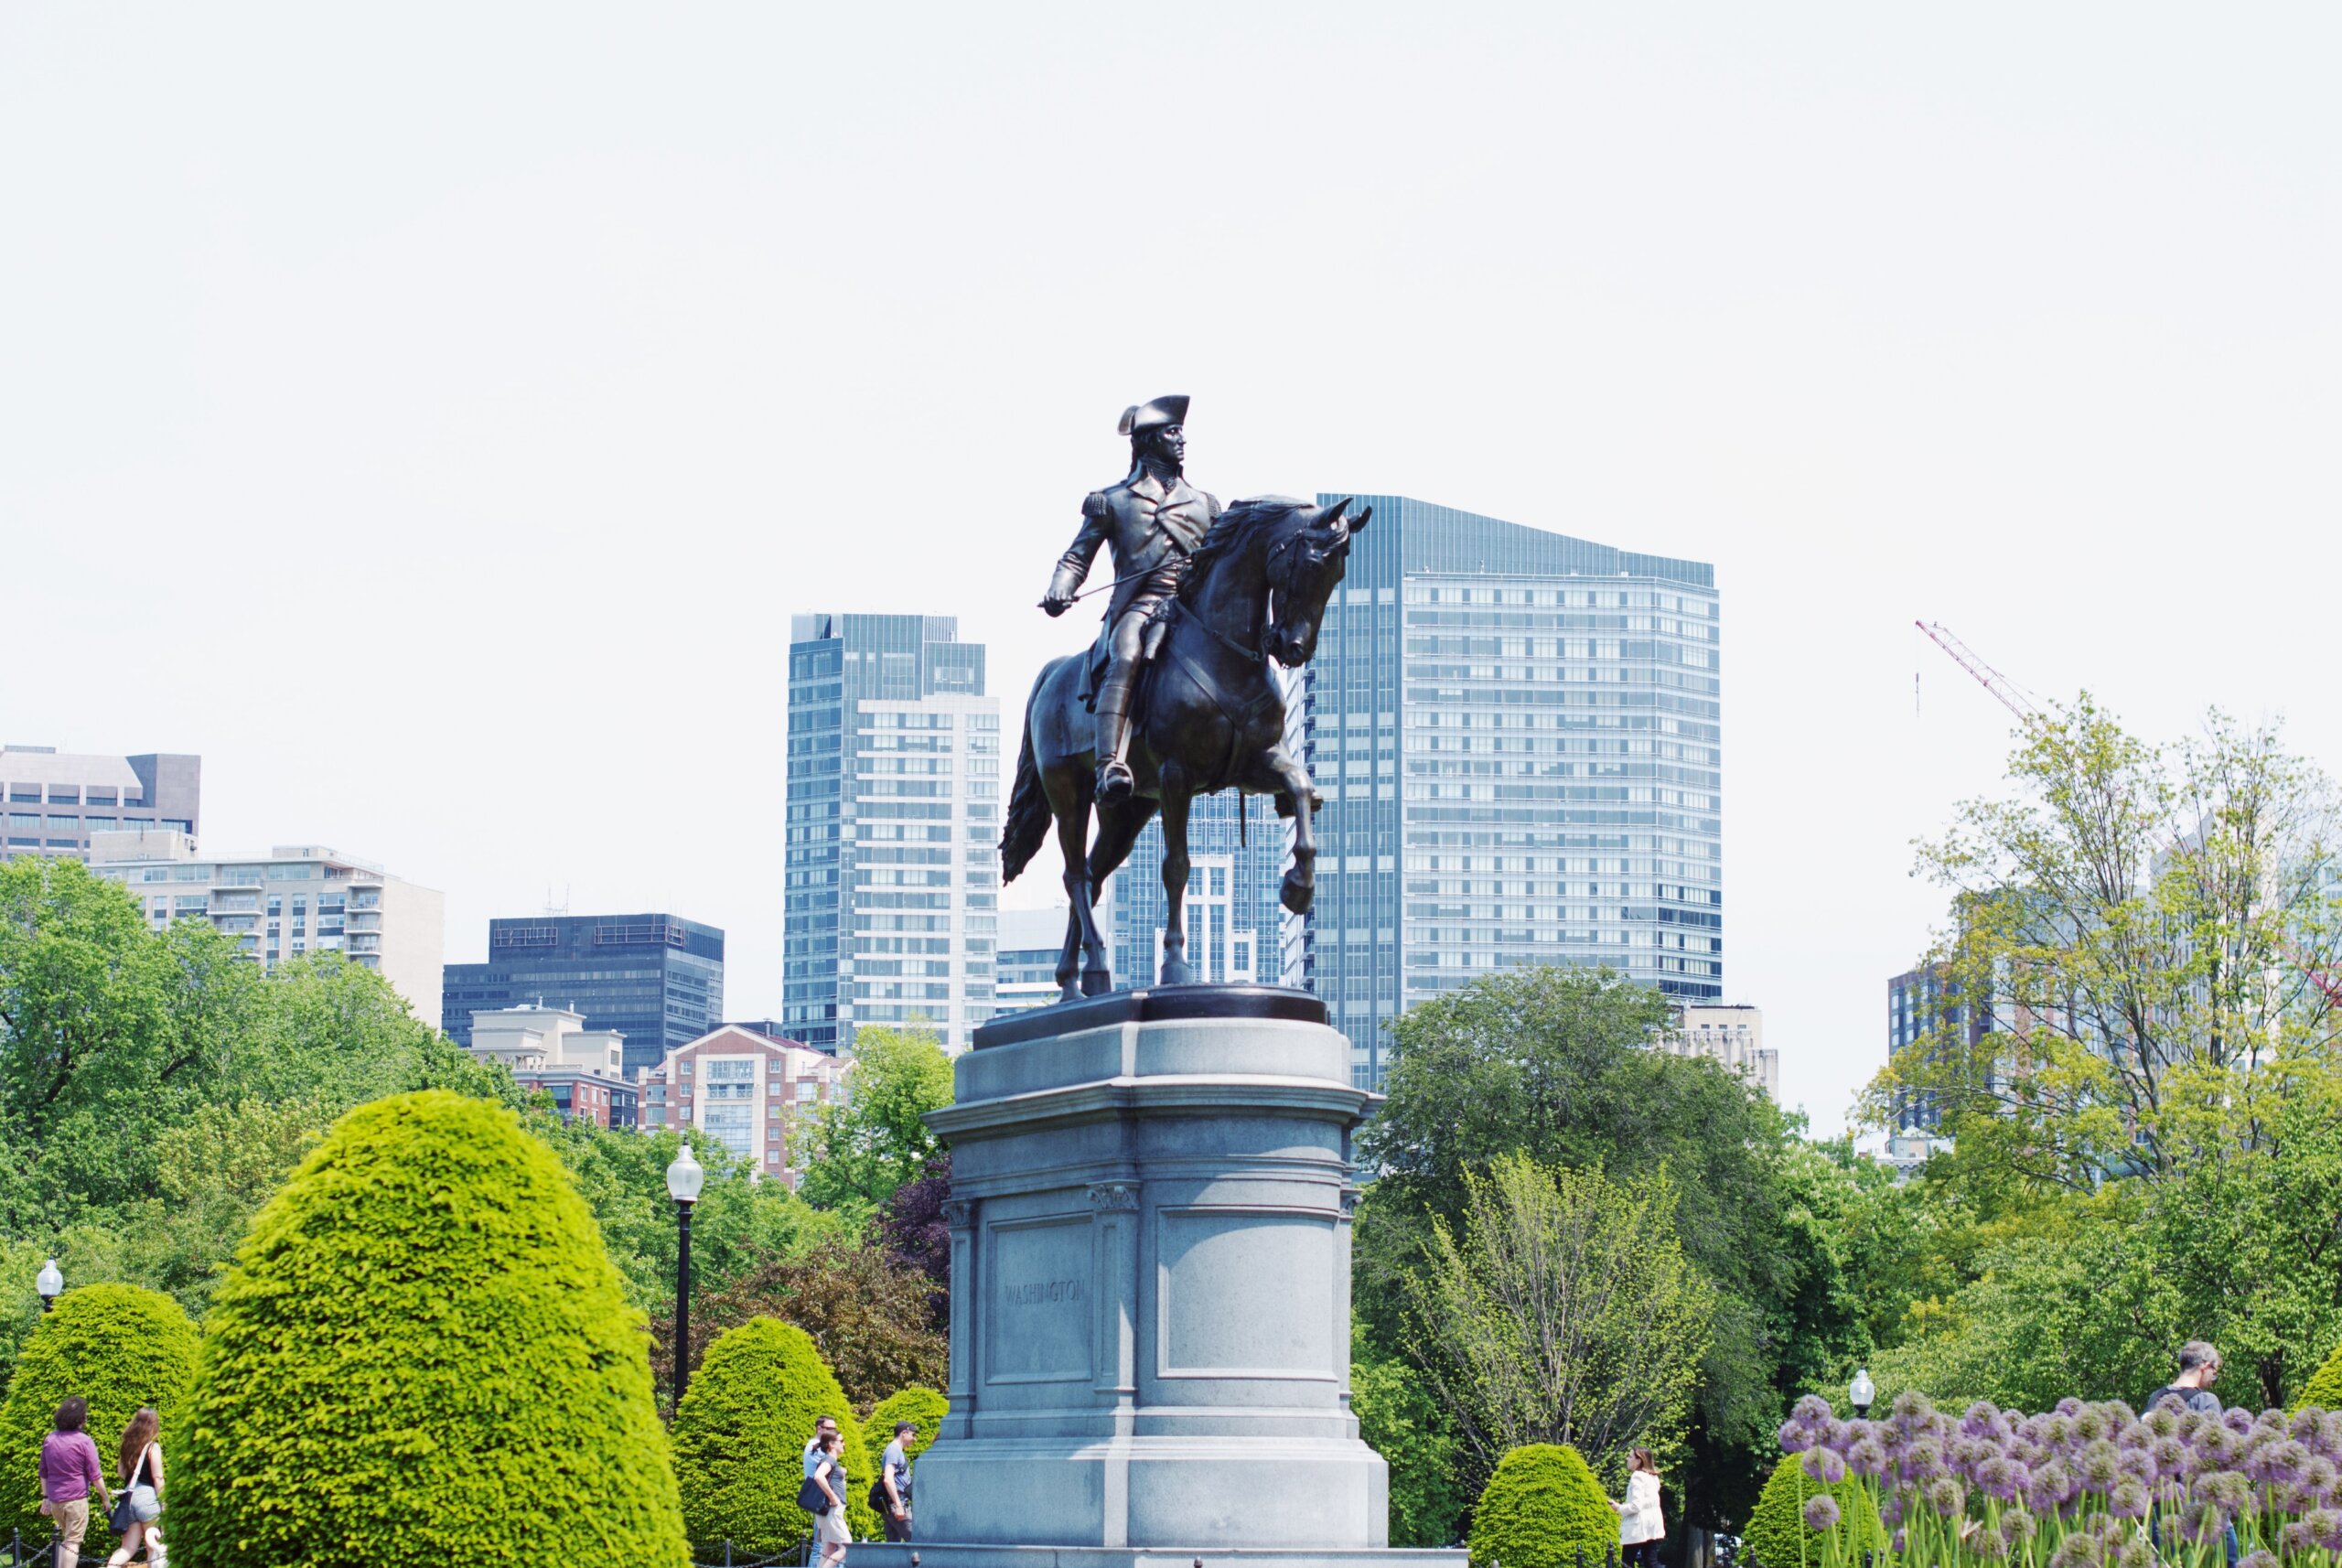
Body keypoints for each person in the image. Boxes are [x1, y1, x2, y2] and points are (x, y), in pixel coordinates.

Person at [1039, 394, 1222, 804]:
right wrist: (1060, 587)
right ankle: (1109, 764)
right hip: (1141, 605)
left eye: (1181, 432)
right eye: (1172, 432)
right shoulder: (1114, 500)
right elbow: (1076, 556)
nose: (1182, 440)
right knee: (1126, 657)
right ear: (1149, 441)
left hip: (1191, 609)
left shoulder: (1205, 504)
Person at [2146, 1340, 2237, 1567]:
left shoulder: (2156, 1398)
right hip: (2200, 1501)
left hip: (2164, 1502)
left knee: (2166, 1561)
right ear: (2205, 1366)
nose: (2213, 1379)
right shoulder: (2206, 1401)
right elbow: (2218, 1450)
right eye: (2214, 1373)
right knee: (2229, 1558)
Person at [37, 1396, 112, 1568]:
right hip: (76, 1499)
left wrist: (46, 1496)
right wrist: (105, 1498)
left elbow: (43, 1472)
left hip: (56, 1500)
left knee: (67, 1540)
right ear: (80, 1419)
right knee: (73, 1542)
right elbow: (95, 1475)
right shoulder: (84, 1441)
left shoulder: (50, 1439)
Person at [106, 1408, 165, 1568]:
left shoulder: (126, 1445)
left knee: (127, 1548)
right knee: (152, 1546)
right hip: (148, 1499)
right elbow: (158, 1477)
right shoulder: (153, 1447)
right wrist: (164, 1503)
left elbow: (121, 1472)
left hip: (129, 1499)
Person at [1614, 1447, 1665, 1568]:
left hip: (1638, 1526)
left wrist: (1619, 1508)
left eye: (1630, 1457)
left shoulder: (1637, 1476)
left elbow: (1636, 1505)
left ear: (1639, 1461)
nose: (1627, 1459)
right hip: (1652, 1525)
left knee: (1627, 1562)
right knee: (1651, 1562)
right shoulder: (1653, 1477)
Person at [811, 1427, 852, 1567]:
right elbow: (819, 1476)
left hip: (827, 1510)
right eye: (841, 1441)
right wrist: (833, 1497)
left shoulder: (829, 1460)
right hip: (832, 1509)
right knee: (846, 1547)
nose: (844, 1444)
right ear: (831, 1444)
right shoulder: (829, 1459)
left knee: (829, 1547)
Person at [876, 1418, 916, 1541]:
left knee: (893, 1547)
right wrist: (898, 1505)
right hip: (897, 1503)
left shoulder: (895, 1449)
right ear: (904, 1433)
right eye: (913, 1435)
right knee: (917, 1540)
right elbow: (888, 1479)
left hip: (891, 1503)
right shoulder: (894, 1450)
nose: (915, 1439)